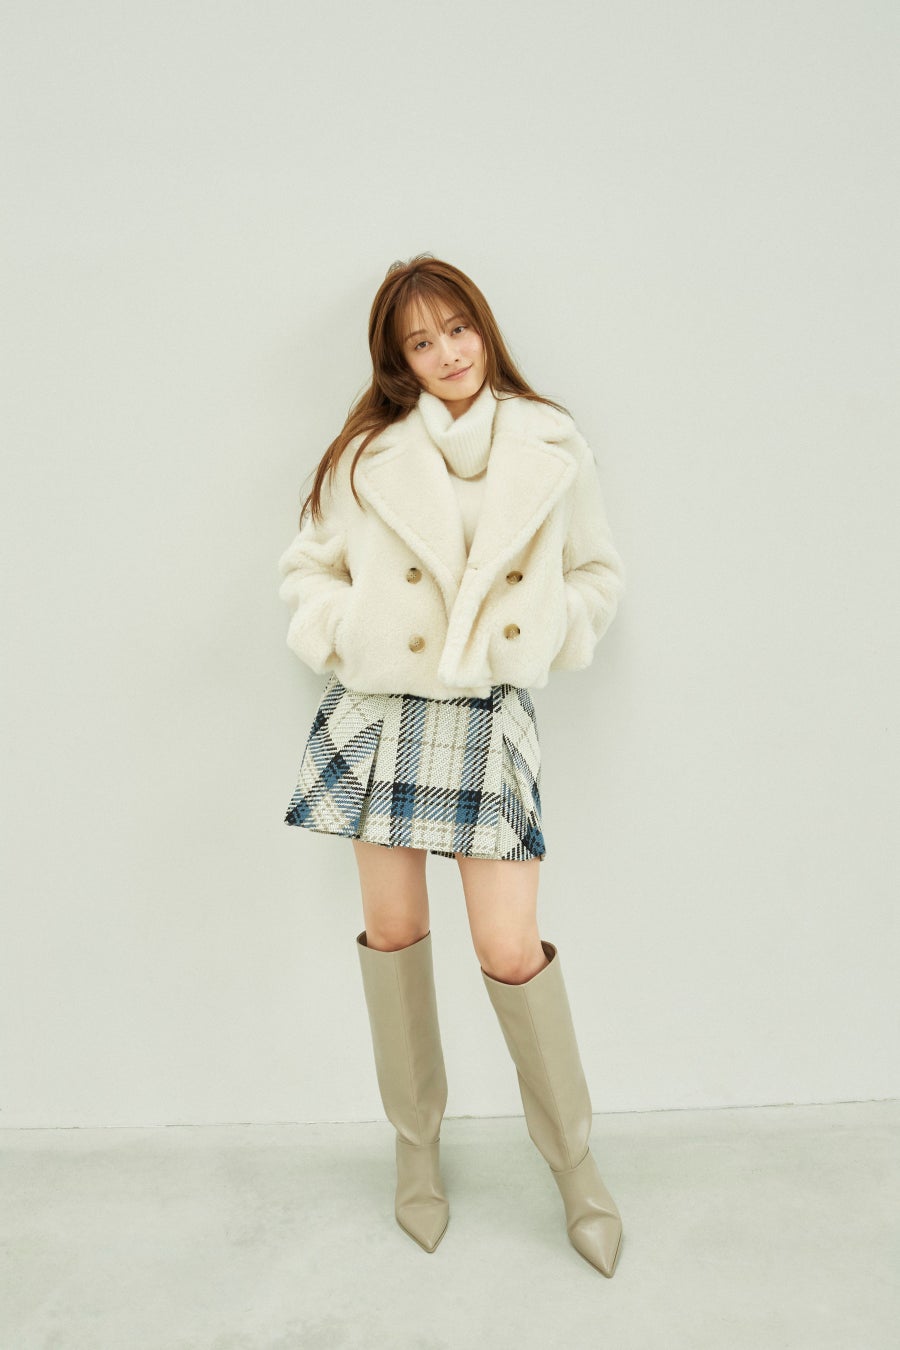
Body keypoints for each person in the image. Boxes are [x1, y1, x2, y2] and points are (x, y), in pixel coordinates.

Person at [276, 255, 626, 1277]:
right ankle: (416, 1149)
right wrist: (351, 634)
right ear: (399, 361)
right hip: (383, 713)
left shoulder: (550, 442)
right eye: (420, 342)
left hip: (486, 715)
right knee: (394, 935)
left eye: (457, 329)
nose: (446, 354)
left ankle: (575, 1165)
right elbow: (306, 572)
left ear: (485, 328)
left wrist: (548, 628)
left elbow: (597, 572)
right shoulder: (367, 455)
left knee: (510, 949)